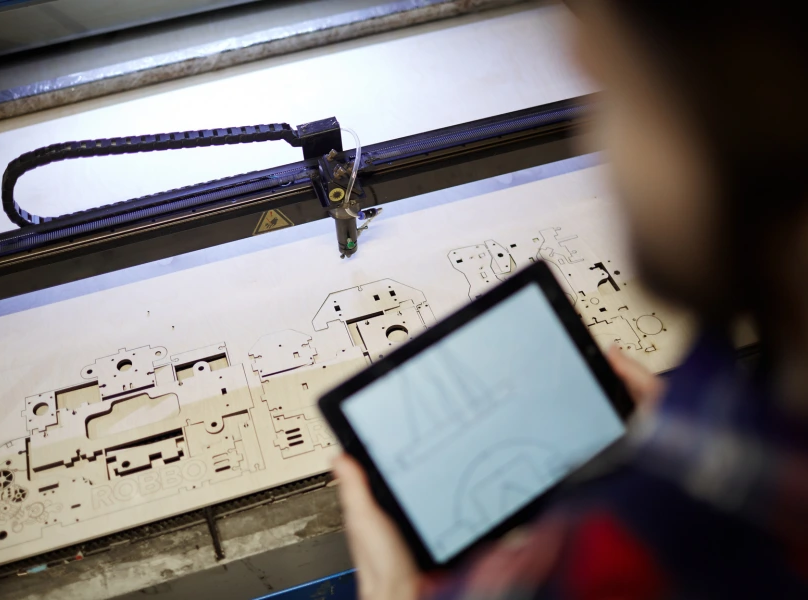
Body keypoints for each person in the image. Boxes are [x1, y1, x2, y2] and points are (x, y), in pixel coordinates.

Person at [332, 1, 808, 598]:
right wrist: (693, 440)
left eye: (620, 84)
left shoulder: (612, 566)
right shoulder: (753, 428)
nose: (580, 62)